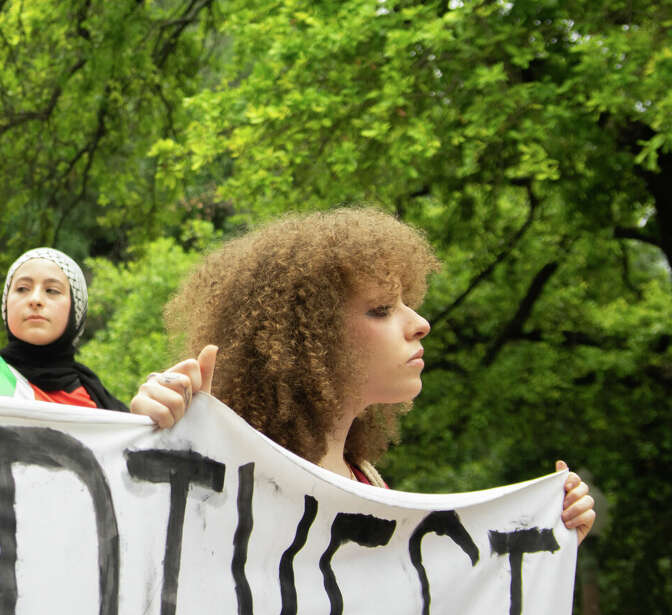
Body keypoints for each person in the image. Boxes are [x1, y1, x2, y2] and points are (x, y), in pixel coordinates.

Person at [134, 207, 595, 542]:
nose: (421, 324)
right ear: (306, 340)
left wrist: (547, 539)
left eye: (406, 303)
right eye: (381, 309)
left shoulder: (368, 478)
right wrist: (167, 439)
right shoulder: (226, 469)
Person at [0, 246, 219, 417]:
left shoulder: (108, 410)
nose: (35, 299)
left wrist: (173, 417)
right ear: (6, 306)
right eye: (22, 289)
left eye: (52, 291)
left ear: (76, 313)